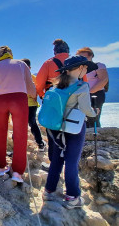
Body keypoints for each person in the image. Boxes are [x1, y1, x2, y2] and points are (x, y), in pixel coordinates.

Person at [43, 56, 98, 209]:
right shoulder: (82, 86)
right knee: (71, 161)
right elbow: (86, 109)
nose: (86, 70)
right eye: (85, 67)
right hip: (74, 127)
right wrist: (95, 113)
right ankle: (72, 196)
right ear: (80, 68)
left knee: (57, 159)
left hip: (56, 127)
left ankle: (49, 190)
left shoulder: (57, 85)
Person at [0, 46, 36, 183]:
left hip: (0, 100)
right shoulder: (21, 64)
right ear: (11, 54)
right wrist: (34, 96)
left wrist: (0, 92)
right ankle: (17, 173)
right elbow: (30, 85)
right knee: (20, 134)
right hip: (19, 99)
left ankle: (0, 168)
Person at [36, 39, 71, 161]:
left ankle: (54, 162)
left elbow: (39, 84)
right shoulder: (77, 64)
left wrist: (42, 95)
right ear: (68, 50)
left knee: (52, 130)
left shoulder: (48, 63)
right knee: (71, 130)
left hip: (54, 101)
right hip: (73, 101)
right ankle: (71, 161)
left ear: (55, 51)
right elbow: (85, 83)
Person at [77, 47, 108, 128]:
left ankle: (96, 136)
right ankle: (86, 137)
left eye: (85, 57)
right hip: (84, 95)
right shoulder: (80, 69)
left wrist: (90, 91)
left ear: (91, 56)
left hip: (96, 95)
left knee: (94, 117)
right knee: (84, 118)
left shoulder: (99, 66)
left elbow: (104, 80)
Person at [20, 58, 45, 151]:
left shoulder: (17, 77)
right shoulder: (34, 78)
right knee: (32, 123)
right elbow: (38, 91)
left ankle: (19, 146)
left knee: (20, 124)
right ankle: (40, 143)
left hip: (21, 104)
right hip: (31, 104)